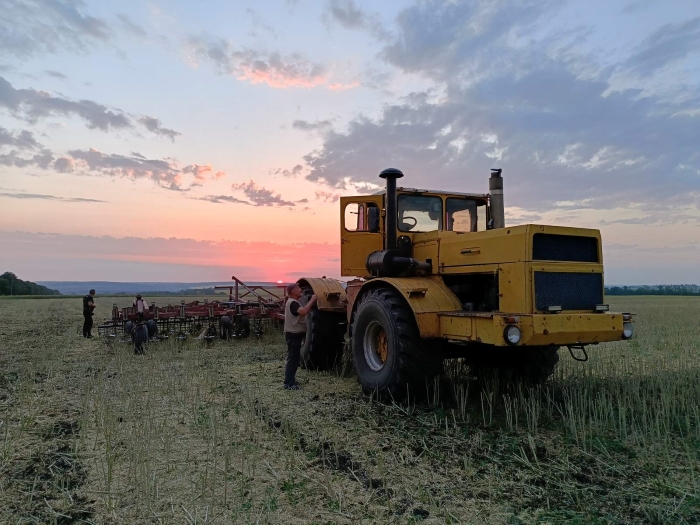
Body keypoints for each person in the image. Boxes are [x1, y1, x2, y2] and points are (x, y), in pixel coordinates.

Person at [283, 283, 317, 390]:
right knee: (293, 359)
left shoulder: (293, 302)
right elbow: (303, 311)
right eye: (298, 288)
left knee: (294, 359)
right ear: (293, 291)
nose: (300, 289)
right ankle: (288, 384)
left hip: (294, 334)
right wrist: (312, 300)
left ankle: (291, 380)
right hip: (293, 335)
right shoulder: (293, 303)